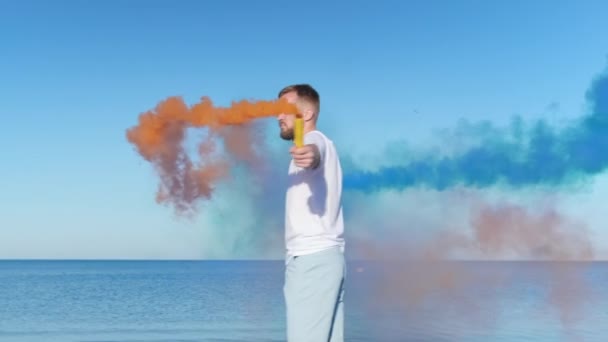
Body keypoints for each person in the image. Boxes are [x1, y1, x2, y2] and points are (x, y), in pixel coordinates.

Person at [276, 84, 346, 342]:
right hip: (327, 261)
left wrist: (310, 155)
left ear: (306, 114)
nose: (278, 116)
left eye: (285, 110)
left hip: (311, 262)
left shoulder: (315, 142)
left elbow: (314, 151)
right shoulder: (312, 143)